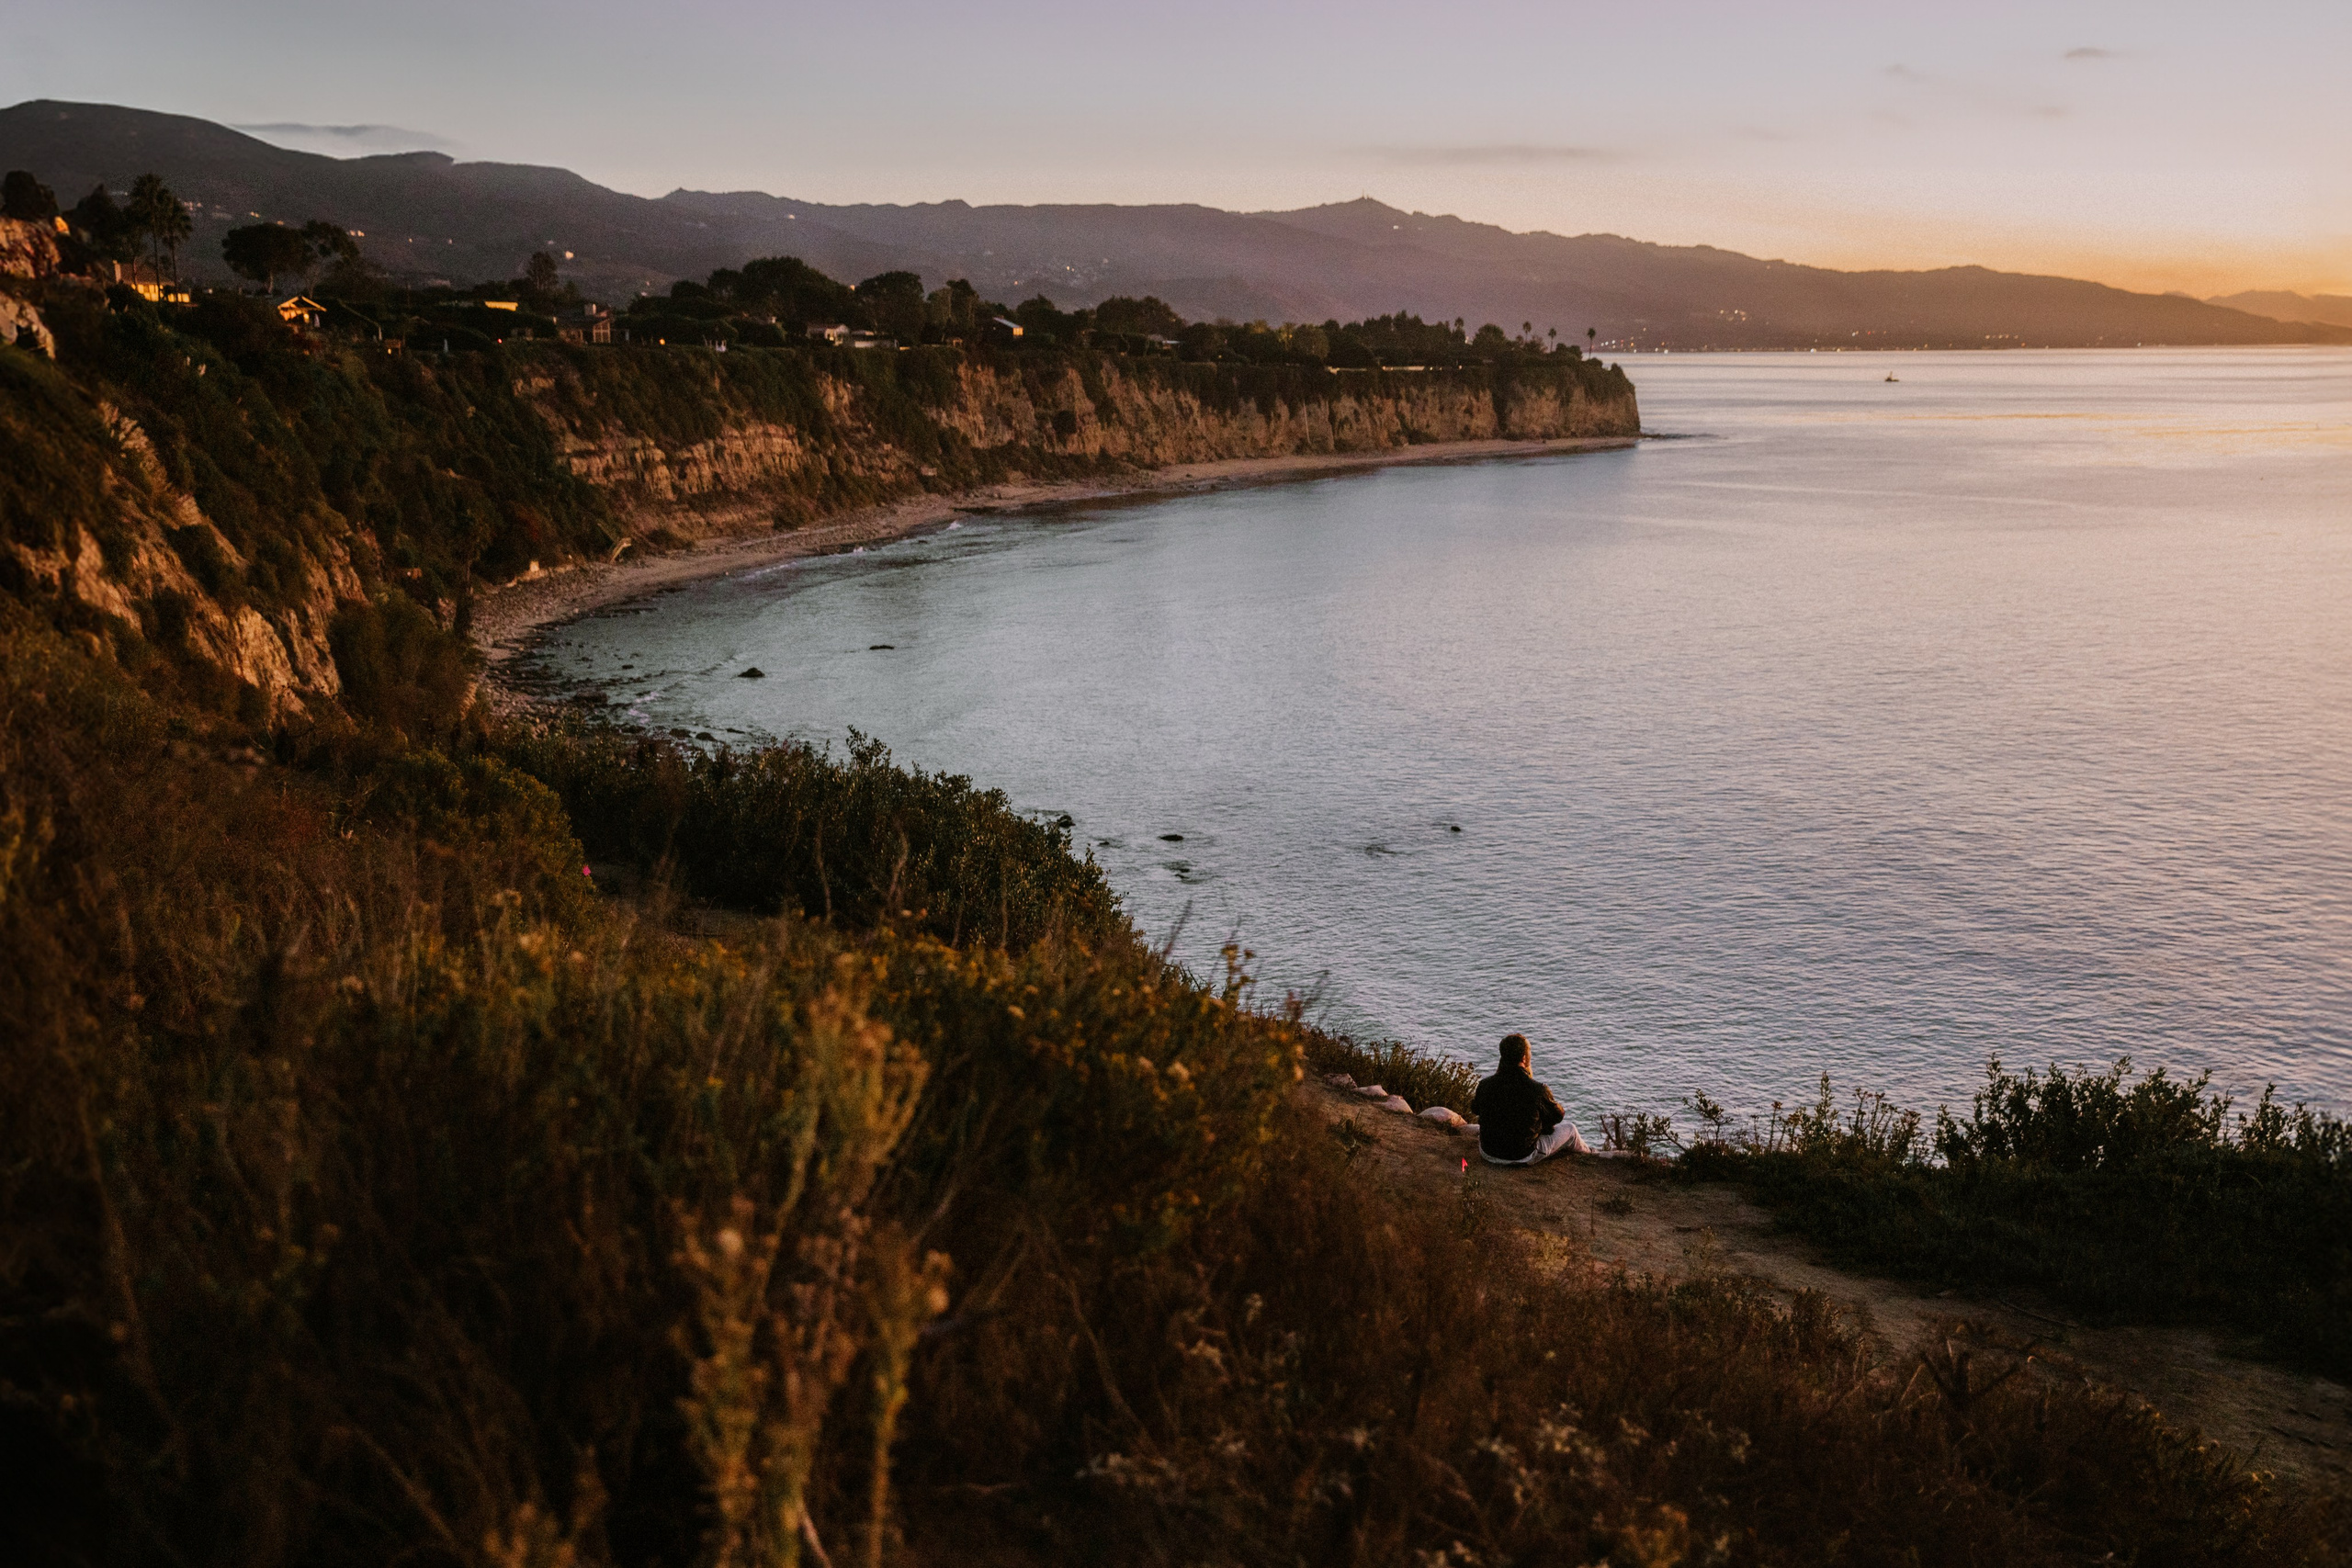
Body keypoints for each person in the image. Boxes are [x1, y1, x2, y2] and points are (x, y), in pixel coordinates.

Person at [1470, 1033, 1591, 1167]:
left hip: (1488, 1153)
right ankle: (1592, 1156)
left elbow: (1475, 1109)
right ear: (1524, 1057)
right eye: (1529, 1051)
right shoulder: (1537, 1089)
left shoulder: (1486, 1084)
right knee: (1571, 1129)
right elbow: (1558, 1116)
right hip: (1522, 1156)